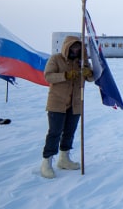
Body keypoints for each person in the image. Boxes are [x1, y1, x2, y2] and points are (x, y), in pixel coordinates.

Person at [40, 35, 94, 179]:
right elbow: (48, 76)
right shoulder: (56, 59)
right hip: (57, 103)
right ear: (67, 46)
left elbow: (91, 78)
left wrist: (89, 73)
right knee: (55, 132)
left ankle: (64, 159)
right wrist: (65, 75)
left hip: (75, 103)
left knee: (69, 132)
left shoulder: (81, 61)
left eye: (78, 47)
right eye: (73, 47)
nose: (76, 50)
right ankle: (47, 162)